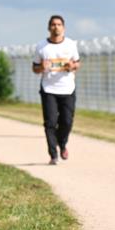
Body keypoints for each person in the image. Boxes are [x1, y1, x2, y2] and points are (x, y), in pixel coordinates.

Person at [32, 15, 80, 165]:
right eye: (53, 24)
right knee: (50, 122)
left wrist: (72, 67)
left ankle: (62, 143)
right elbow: (34, 68)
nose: (56, 27)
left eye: (59, 24)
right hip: (49, 89)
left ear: (63, 28)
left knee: (67, 121)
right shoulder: (41, 47)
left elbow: (77, 63)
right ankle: (53, 154)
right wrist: (41, 68)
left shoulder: (71, 44)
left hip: (67, 89)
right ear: (49, 28)